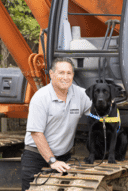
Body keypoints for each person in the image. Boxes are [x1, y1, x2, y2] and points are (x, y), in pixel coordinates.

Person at [21, 58, 92, 191]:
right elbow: (36, 133)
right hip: (36, 157)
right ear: (52, 74)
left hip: (63, 157)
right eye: (61, 73)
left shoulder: (81, 95)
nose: (65, 77)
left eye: (69, 73)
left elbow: (97, 114)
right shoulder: (41, 97)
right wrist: (52, 161)